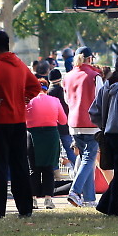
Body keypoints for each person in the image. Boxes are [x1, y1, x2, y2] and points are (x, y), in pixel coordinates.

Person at [0, 30, 42, 219]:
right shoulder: (20, 65)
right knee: (20, 165)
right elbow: (35, 86)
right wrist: (24, 97)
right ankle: (25, 208)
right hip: (19, 122)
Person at [89, 54, 118, 216]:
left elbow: (93, 111)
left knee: (116, 172)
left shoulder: (106, 87)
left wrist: (104, 123)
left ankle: (107, 204)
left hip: (107, 133)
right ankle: (115, 207)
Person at [64, 46, 104, 208]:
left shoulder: (67, 76)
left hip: (74, 122)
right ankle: (75, 191)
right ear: (90, 59)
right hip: (91, 123)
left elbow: (67, 99)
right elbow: (100, 101)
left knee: (85, 157)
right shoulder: (94, 76)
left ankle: (89, 198)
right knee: (90, 158)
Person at [26, 80, 67, 210]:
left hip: (32, 135)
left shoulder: (29, 102)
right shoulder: (55, 101)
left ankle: (33, 199)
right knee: (49, 169)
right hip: (51, 136)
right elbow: (63, 120)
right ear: (47, 89)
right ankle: (48, 199)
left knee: (33, 169)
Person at [47, 68, 75, 168]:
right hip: (65, 124)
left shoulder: (49, 93)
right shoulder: (65, 91)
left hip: (53, 125)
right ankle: (76, 169)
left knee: (54, 151)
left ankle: (55, 172)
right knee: (69, 149)